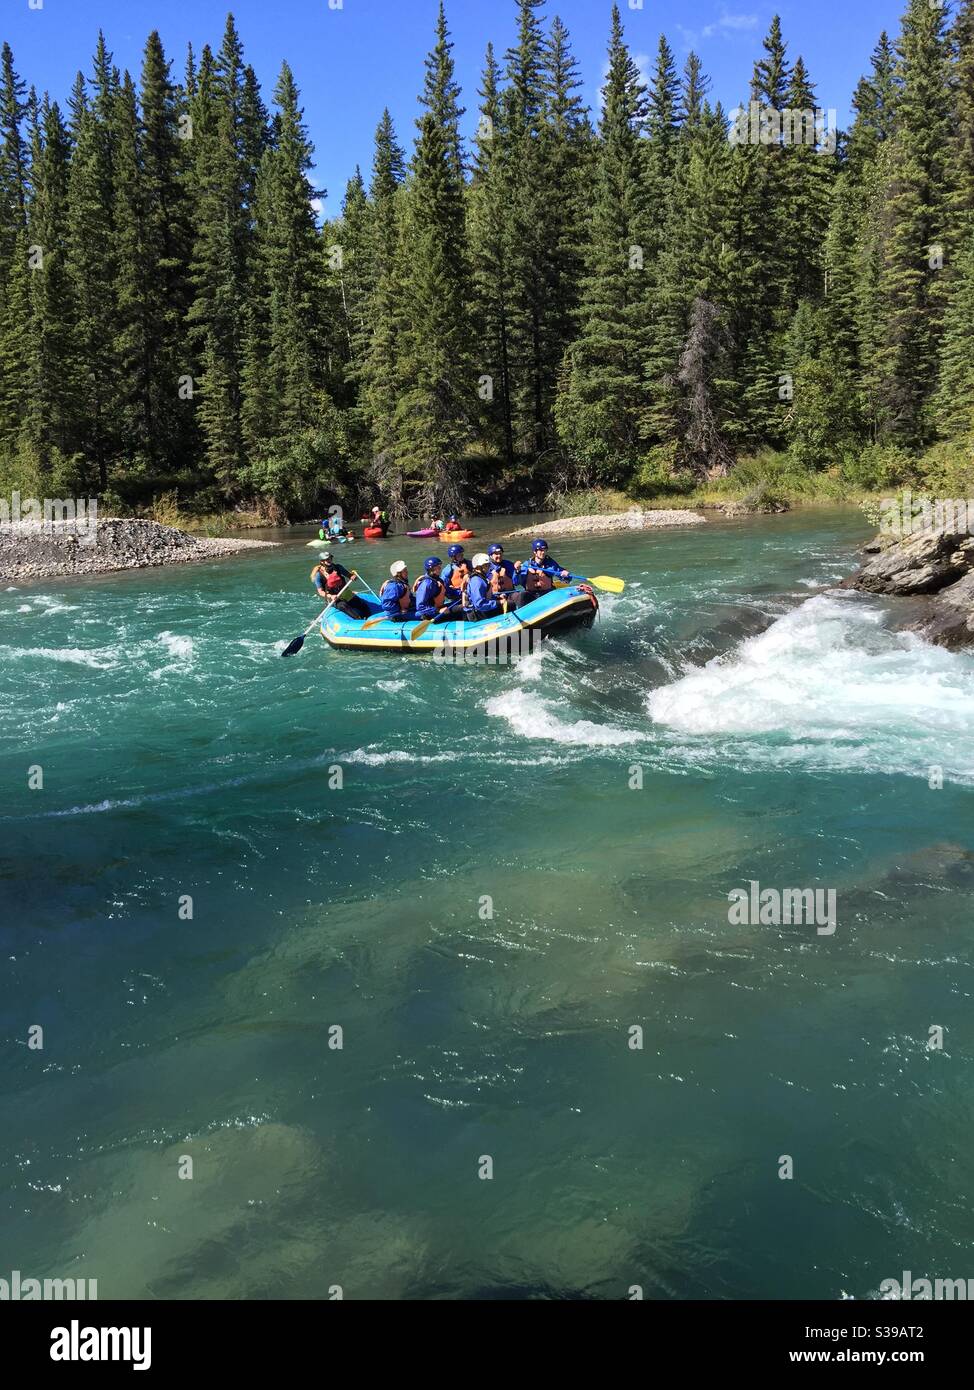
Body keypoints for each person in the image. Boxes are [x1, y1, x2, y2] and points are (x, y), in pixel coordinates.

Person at [311, 552, 370, 619]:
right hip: (333, 598)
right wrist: (330, 596)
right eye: (327, 559)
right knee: (343, 605)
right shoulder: (319, 575)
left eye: (330, 558)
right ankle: (359, 620)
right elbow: (320, 592)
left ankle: (370, 618)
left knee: (362, 605)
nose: (329, 560)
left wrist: (353, 576)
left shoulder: (338, 567)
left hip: (345, 593)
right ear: (322, 562)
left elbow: (349, 575)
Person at [464, 553, 517, 621]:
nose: (488, 567)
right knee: (510, 604)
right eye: (486, 565)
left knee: (508, 601)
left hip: (482, 610)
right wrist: (499, 602)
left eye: (489, 565)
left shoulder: (482, 578)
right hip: (477, 614)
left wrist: (497, 597)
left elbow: (486, 597)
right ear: (478, 567)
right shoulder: (477, 581)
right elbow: (479, 604)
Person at [412, 556, 456, 623]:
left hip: (439, 608)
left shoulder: (439, 580)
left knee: (462, 605)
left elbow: (449, 593)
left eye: (440, 566)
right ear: (431, 569)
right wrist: (437, 611)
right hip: (431, 614)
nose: (440, 568)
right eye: (438, 567)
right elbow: (420, 607)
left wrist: (463, 592)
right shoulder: (426, 584)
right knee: (460, 609)